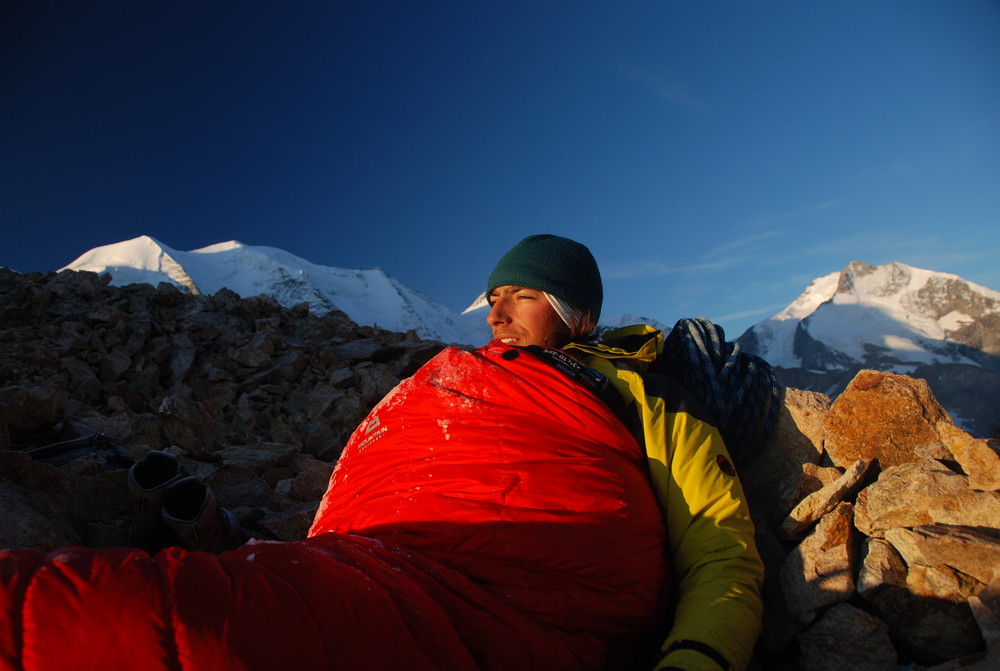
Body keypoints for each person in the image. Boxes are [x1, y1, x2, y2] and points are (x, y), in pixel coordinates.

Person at [0, 234, 762, 671]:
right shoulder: (461, 375)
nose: (494, 309)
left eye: (519, 294)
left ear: (576, 311)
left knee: (160, 623)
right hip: (374, 561)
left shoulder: (644, 399)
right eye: (492, 294)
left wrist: (697, 658)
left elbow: (720, 549)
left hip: (489, 601)